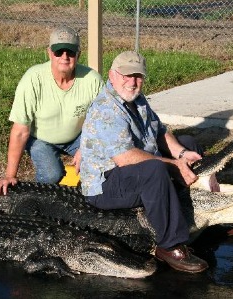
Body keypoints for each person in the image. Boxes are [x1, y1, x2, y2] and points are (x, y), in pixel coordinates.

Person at [79, 51, 211, 273]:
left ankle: (196, 213)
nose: (132, 82)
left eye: (138, 76)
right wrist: (172, 164)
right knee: (155, 169)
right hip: (104, 184)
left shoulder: (137, 100)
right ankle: (169, 245)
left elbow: (160, 131)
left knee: (189, 144)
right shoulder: (106, 109)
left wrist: (180, 154)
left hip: (134, 168)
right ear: (112, 75)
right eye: (126, 75)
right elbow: (125, 158)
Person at [0, 25, 104, 196]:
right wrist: (9, 175)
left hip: (78, 136)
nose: (64, 57)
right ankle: (39, 201)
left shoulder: (92, 79)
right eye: (59, 52)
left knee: (98, 163)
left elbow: (103, 121)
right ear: (50, 53)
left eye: (70, 52)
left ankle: (93, 201)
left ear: (78, 54)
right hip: (41, 138)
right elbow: (20, 130)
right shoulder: (32, 78)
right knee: (52, 174)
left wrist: (87, 147)